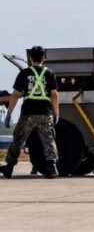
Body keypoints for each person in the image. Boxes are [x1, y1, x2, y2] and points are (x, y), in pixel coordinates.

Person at [1, 46, 60, 179]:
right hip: (45, 112)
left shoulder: (24, 73)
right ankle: (52, 167)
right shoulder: (50, 73)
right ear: (43, 57)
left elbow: (15, 95)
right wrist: (56, 113)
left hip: (28, 112)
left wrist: (9, 114)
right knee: (48, 140)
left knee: (18, 139)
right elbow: (54, 95)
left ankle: (9, 168)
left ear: (30, 58)